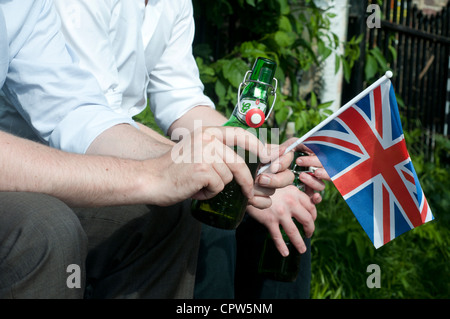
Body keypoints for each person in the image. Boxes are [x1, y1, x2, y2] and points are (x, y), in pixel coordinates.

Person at [0, 0, 294, 298]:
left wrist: (239, 158)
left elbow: (76, 110)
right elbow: (94, 111)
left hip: (97, 153)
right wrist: (163, 169)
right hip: (43, 162)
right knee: (46, 227)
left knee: (192, 211)